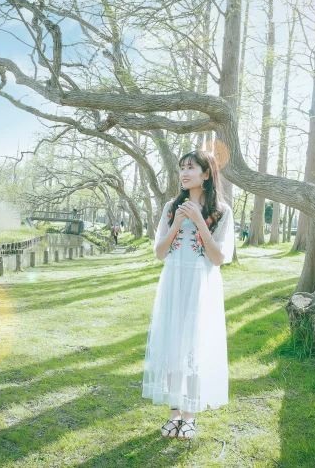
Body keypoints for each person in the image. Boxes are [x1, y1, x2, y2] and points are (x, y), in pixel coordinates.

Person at [143, 150, 234, 441]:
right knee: (172, 344)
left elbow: (219, 257)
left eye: (191, 167)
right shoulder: (172, 206)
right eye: (182, 168)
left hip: (200, 284)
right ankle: (174, 413)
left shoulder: (222, 212)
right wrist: (174, 225)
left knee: (194, 344)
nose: (184, 173)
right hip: (172, 280)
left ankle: (190, 416)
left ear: (206, 174)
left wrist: (199, 222)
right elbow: (159, 253)